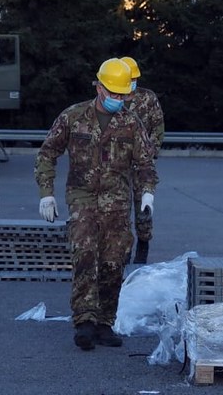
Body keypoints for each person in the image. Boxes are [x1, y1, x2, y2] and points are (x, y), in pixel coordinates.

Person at [36, 58, 157, 352]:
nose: (117, 99)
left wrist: (148, 193)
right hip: (82, 198)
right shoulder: (73, 116)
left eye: (121, 95)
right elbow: (47, 153)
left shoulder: (131, 123)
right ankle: (84, 321)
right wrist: (46, 193)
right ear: (100, 87)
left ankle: (105, 322)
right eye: (113, 93)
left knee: (114, 263)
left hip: (117, 202)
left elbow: (144, 164)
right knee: (85, 256)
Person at [120, 56, 164, 265]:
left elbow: (158, 126)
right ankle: (124, 252)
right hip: (117, 165)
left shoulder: (148, 98)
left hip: (142, 165)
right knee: (119, 208)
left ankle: (143, 245)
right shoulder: (113, 98)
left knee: (143, 208)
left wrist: (150, 152)